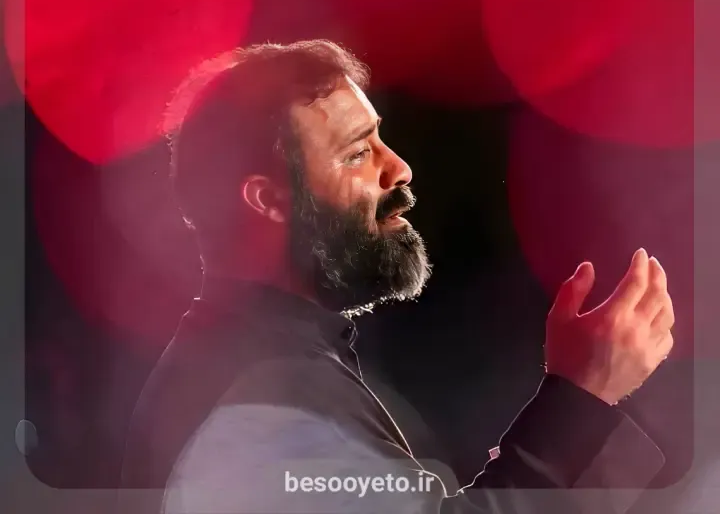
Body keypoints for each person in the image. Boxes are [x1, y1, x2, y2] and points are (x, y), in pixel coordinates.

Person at [120, 40, 675, 514]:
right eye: (356, 153)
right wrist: (582, 395)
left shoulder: (258, 369)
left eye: (379, 138)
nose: (398, 169)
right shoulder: (253, 409)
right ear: (269, 200)